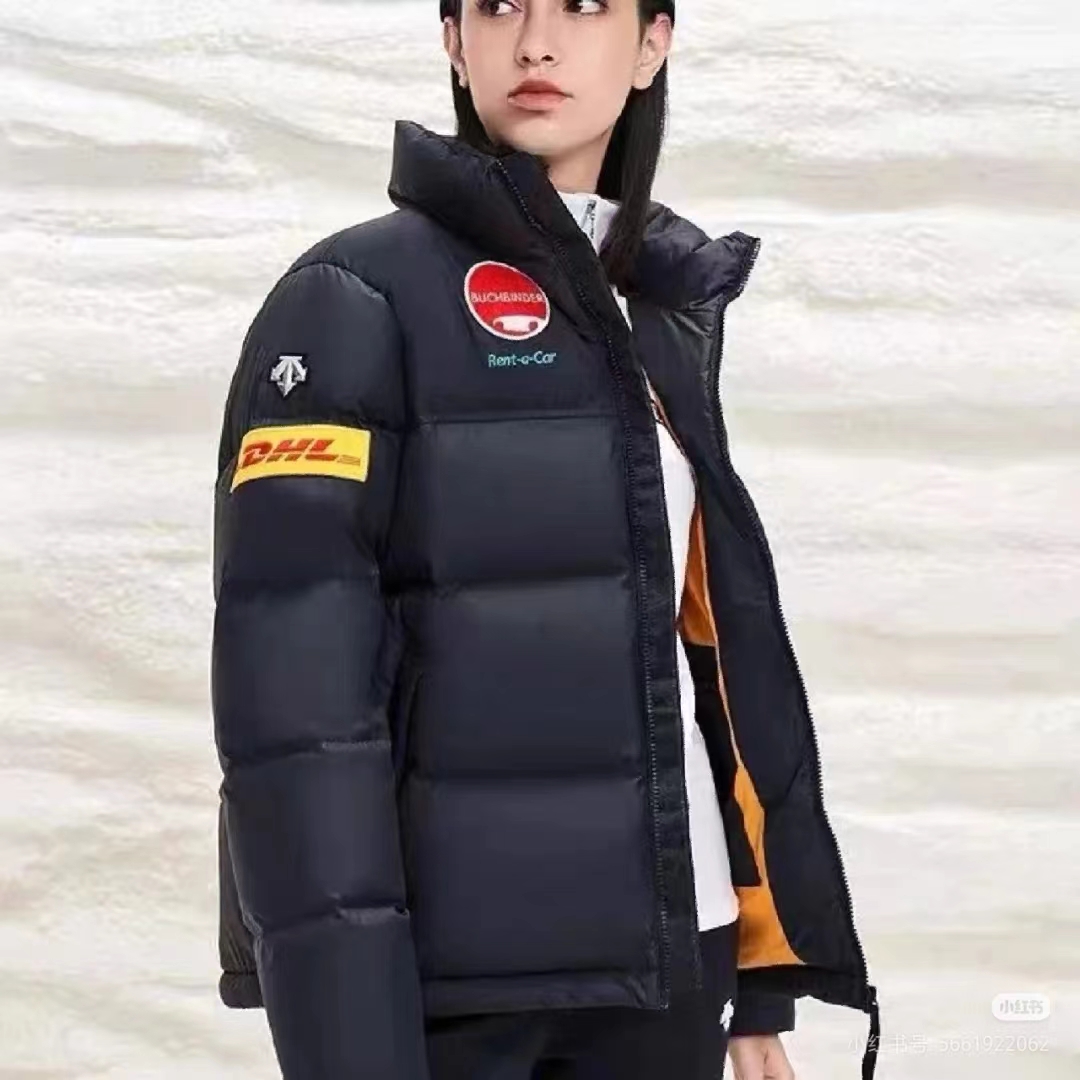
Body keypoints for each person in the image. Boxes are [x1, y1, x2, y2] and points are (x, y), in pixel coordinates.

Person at [210, 2, 880, 1079]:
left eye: (583, 7)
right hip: (457, 989)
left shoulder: (661, 298)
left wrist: (758, 981)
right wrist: (346, 1039)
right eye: (497, 7)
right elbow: (294, 715)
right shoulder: (350, 299)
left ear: (652, 43)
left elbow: (703, 653)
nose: (535, 41)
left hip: (674, 963)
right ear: (453, 39)